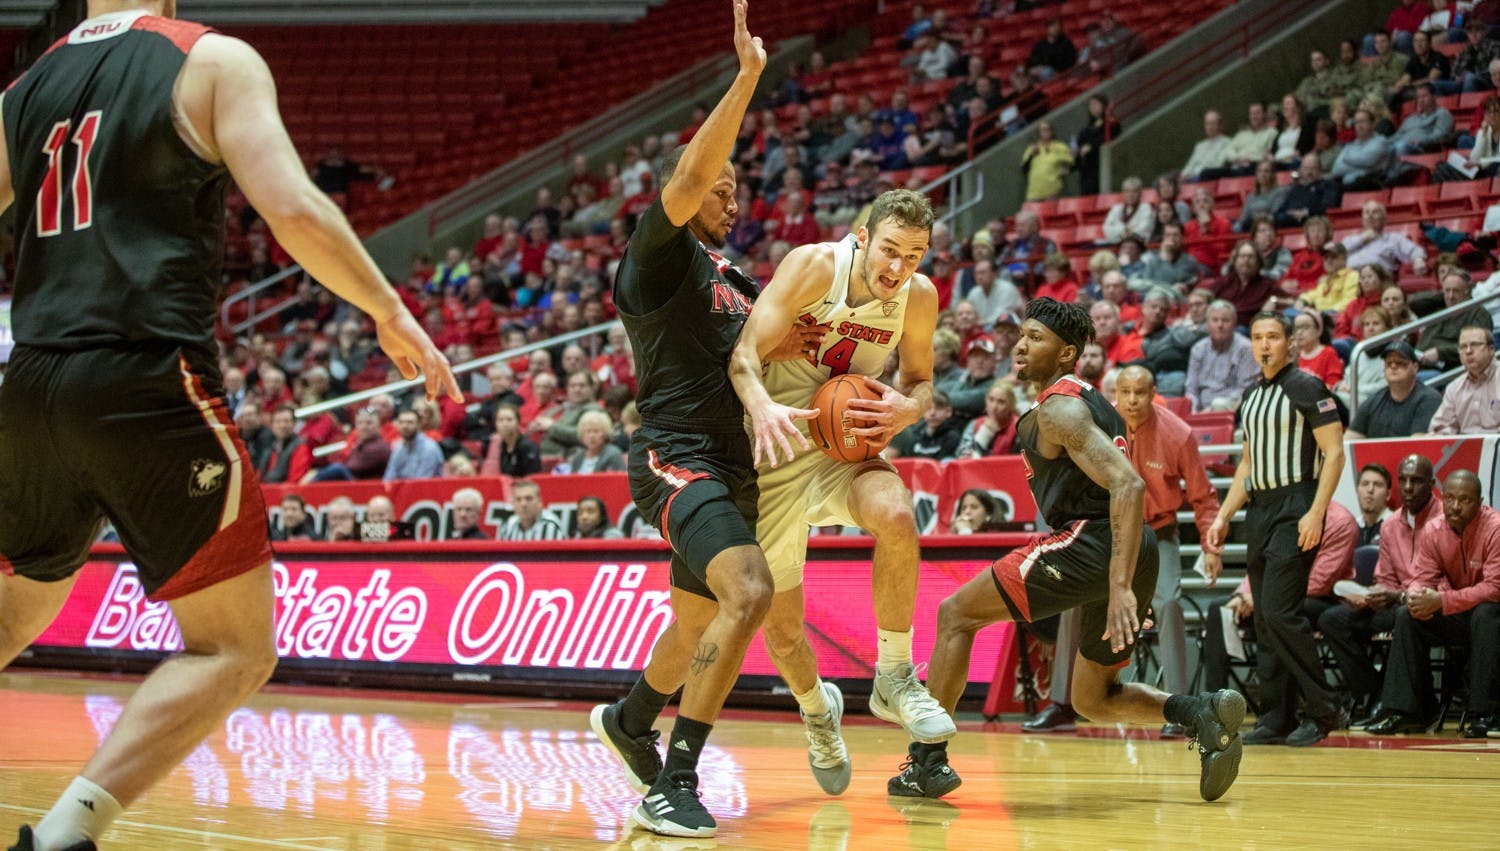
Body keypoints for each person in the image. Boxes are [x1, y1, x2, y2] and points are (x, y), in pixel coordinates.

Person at [0, 4, 462, 847]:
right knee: (234, 649)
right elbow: (291, 208)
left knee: (16, 605)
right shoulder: (211, 60)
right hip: (145, 375)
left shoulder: (25, 88)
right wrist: (388, 312)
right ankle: (65, 836)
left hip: (29, 384)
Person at [588, 5, 801, 838]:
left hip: (738, 464)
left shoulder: (740, 278)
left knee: (695, 626)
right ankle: (675, 779)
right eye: (718, 182)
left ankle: (633, 720)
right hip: (675, 457)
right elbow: (687, 176)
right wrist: (747, 78)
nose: (728, 190)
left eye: (736, 186)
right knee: (747, 590)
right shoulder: (659, 259)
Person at [897, 297, 1246, 802]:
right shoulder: (1088, 401)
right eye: (1021, 334)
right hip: (1126, 544)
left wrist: (1119, 585)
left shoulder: (1061, 408)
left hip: (1094, 540)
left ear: (1066, 355)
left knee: (955, 615)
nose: (1020, 344)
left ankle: (927, 762)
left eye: (1035, 338)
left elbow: (1127, 486)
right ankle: (1203, 715)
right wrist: (1122, 574)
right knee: (1092, 698)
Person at [727, 187, 954, 796]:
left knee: (897, 516)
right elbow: (742, 354)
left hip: (842, 446)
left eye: (915, 254)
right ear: (862, 238)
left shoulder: (920, 297)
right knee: (782, 631)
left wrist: (908, 410)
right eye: (889, 251)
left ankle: (895, 677)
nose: (899, 267)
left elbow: (922, 382)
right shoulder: (814, 266)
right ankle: (816, 712)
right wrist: (764, 409)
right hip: (775, 447)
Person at [1206, 311, 1347, 747]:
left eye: (1274, 337)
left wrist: (1316, 511)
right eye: (1259, 337)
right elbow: (1247, 464)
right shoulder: (1250, 396)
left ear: (1290, 343)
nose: (1265, 344)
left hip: (1297, 503)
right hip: (1261, 509)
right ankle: (1275, 716)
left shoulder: (1307, 387)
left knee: (1282, 613)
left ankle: (1324, 710)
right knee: (1266, 618)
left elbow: (1335, 453)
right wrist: (1223, 515)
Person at [1115, 366, 1223, 735]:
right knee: (1078, 601)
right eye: (1124, 392)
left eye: (1140, 393)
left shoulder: (1178, 434)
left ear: (1153, 393)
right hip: (1112, 534)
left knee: (1168, 603)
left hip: (1159, 533)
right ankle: (1065, 705)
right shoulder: (1100, 423)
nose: (1131, 400)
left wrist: (1211, 547)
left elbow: (1204, 498)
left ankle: (1180, 708)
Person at [1366, 469, 1500, 737]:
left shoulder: (1495, 528)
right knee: (1407, 615)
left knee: (1486, 614)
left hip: (1492, 612)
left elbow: (1495, 588)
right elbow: (1421, 578)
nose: (1455, 506)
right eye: (1449, 498)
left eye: (1464, 500)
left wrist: (1442, 601)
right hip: (1461, 611)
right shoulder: (1434, 530)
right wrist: (1417, 597)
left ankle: (1484, 712)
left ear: (1480, 501)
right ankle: (1408, 711)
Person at [1320, 455, 1440, 727]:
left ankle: (1394, 706)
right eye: (1404, 480)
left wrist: (1398, 595)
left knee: (1403, 616)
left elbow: (1444, 583)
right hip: (1395, 603)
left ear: (1431, 484)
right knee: (1332, 619)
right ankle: (1372, 688)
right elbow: (1384, 576)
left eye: (1416, 481)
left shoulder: (1443, 521)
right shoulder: (1391, 525)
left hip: (1430, 605)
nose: (1408, 487)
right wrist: (1373, 596)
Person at [1347, 341, 1443, 438]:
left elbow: (1418, 445)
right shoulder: (1372, 402)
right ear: (1384, 369)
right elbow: (1349, 441)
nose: (1393, 366)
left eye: (1400, 362)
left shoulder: (1430, 400)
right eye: (1388, 363)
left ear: (1415, 367)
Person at [1184, 300, 1259, 412]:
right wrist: (1193, 409)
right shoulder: (1198, 348)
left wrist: (1212, 409)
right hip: (1201, 410)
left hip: (1233, 407)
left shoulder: (1246, 348)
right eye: (1215, 320)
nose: (1220, 325)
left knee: (1219, 404)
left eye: (1225, 320)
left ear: (1234, 324)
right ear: (1207, 324)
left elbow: (1246, 389)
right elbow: (1191, 389)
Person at [1428, 325, 1500, 434]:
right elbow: (1440, 428)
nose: (1468, 351)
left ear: (1491, 350)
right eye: (1463, 347)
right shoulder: (1454, 388)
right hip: (1466, 449)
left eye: (1475, 344)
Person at [955, 378, 1019, 457]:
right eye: (991, 400)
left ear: (1011, 405)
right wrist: (984, 432)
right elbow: (962, 457)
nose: (994, 407)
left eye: (1001, 402)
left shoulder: (1019, 428)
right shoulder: (975, 423)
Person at [479, 403, 543, 477]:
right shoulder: (502, 446)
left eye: (509, 420)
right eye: (500, 420)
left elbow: (533, 477)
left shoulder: (528, 447)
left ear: (518, 422)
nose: (505, 424)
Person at [384, 409, 444, 481]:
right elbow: (389, 479)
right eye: (401, 422)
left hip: (426, 490)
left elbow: (421, 482)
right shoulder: (398, 447)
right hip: (402, 490)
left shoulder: (429, 448)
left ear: (419, 424)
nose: (405, 426)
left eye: (410, 422)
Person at [1022, 119, 1073, 201]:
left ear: (1052, 131)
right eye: (1042, 130)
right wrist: (1031, 154)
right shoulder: (1032, 148)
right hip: (1033, 192)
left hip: (1052, 191)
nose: (1045, 132)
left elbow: (1072, 161)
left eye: (1047, 129)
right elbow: (1024, 169)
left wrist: (1065, 170)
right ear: (1038, 133)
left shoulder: (1060, 146)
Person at [564, 409, 627, 473]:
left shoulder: (613, 454)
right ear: (582, 435)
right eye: (588, 431)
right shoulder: (578, 457)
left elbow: (617, 480)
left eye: (596, 431)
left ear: (605, 433)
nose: (592, 436)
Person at [1293, 310, 1343, 388]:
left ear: (1318, 331)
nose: (1299, 332)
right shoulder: (1295, 355)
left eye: (1305, 327)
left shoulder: (1328, 353)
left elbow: (1333, 385)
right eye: (1297, 328)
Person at [1102, 176, 1153, 244]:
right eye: (1127, 191)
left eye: (1134, 191)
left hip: (1138, 246)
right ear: (1123, 193)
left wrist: (1118, 229)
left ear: (1140, 193)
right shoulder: (1116, 209)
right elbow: (1107, 230)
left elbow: (1143, 230)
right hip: (1116, 245)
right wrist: (1124, 229)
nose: (1130, 195)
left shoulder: (1146, 208)